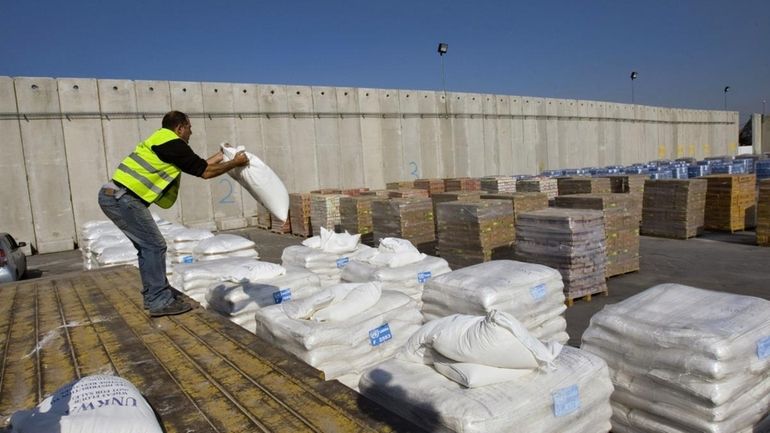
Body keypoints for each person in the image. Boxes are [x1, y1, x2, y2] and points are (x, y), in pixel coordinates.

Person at [98, 110, 249, 317]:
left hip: (116, 195)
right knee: (154, 245)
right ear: (180, 128)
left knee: (147, 246)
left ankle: (154, 296)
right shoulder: (173, 144)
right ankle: (159, 301)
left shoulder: (164, 141)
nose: (191, 133)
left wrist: (223, 156)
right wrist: (236, 162)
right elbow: (205, 173)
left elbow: (199, 165)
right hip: (122, 198)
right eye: (189, 128)